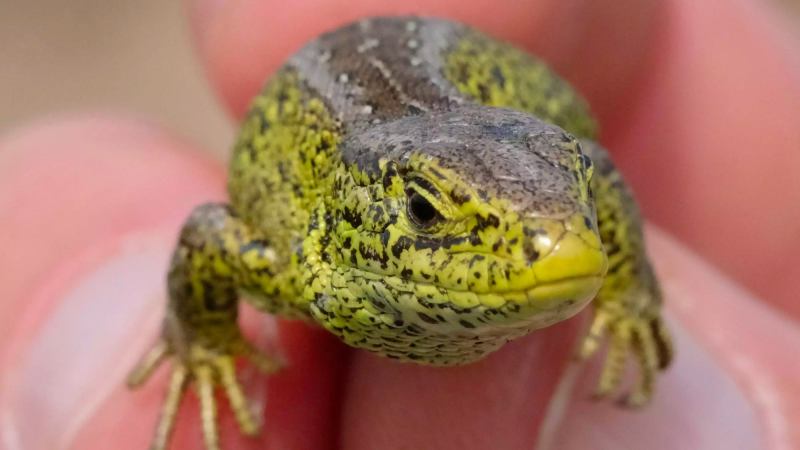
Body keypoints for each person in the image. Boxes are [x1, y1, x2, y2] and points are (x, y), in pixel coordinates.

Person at [0, 0, 798, 448]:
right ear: (366, 217)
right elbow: (208, 235)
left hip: (477, 97)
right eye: (426, 213)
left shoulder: (556, 175)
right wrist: (202, 340)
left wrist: (628, 295)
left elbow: (598, 168)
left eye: (574, 214)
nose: (559, 245)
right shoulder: (303, 259)